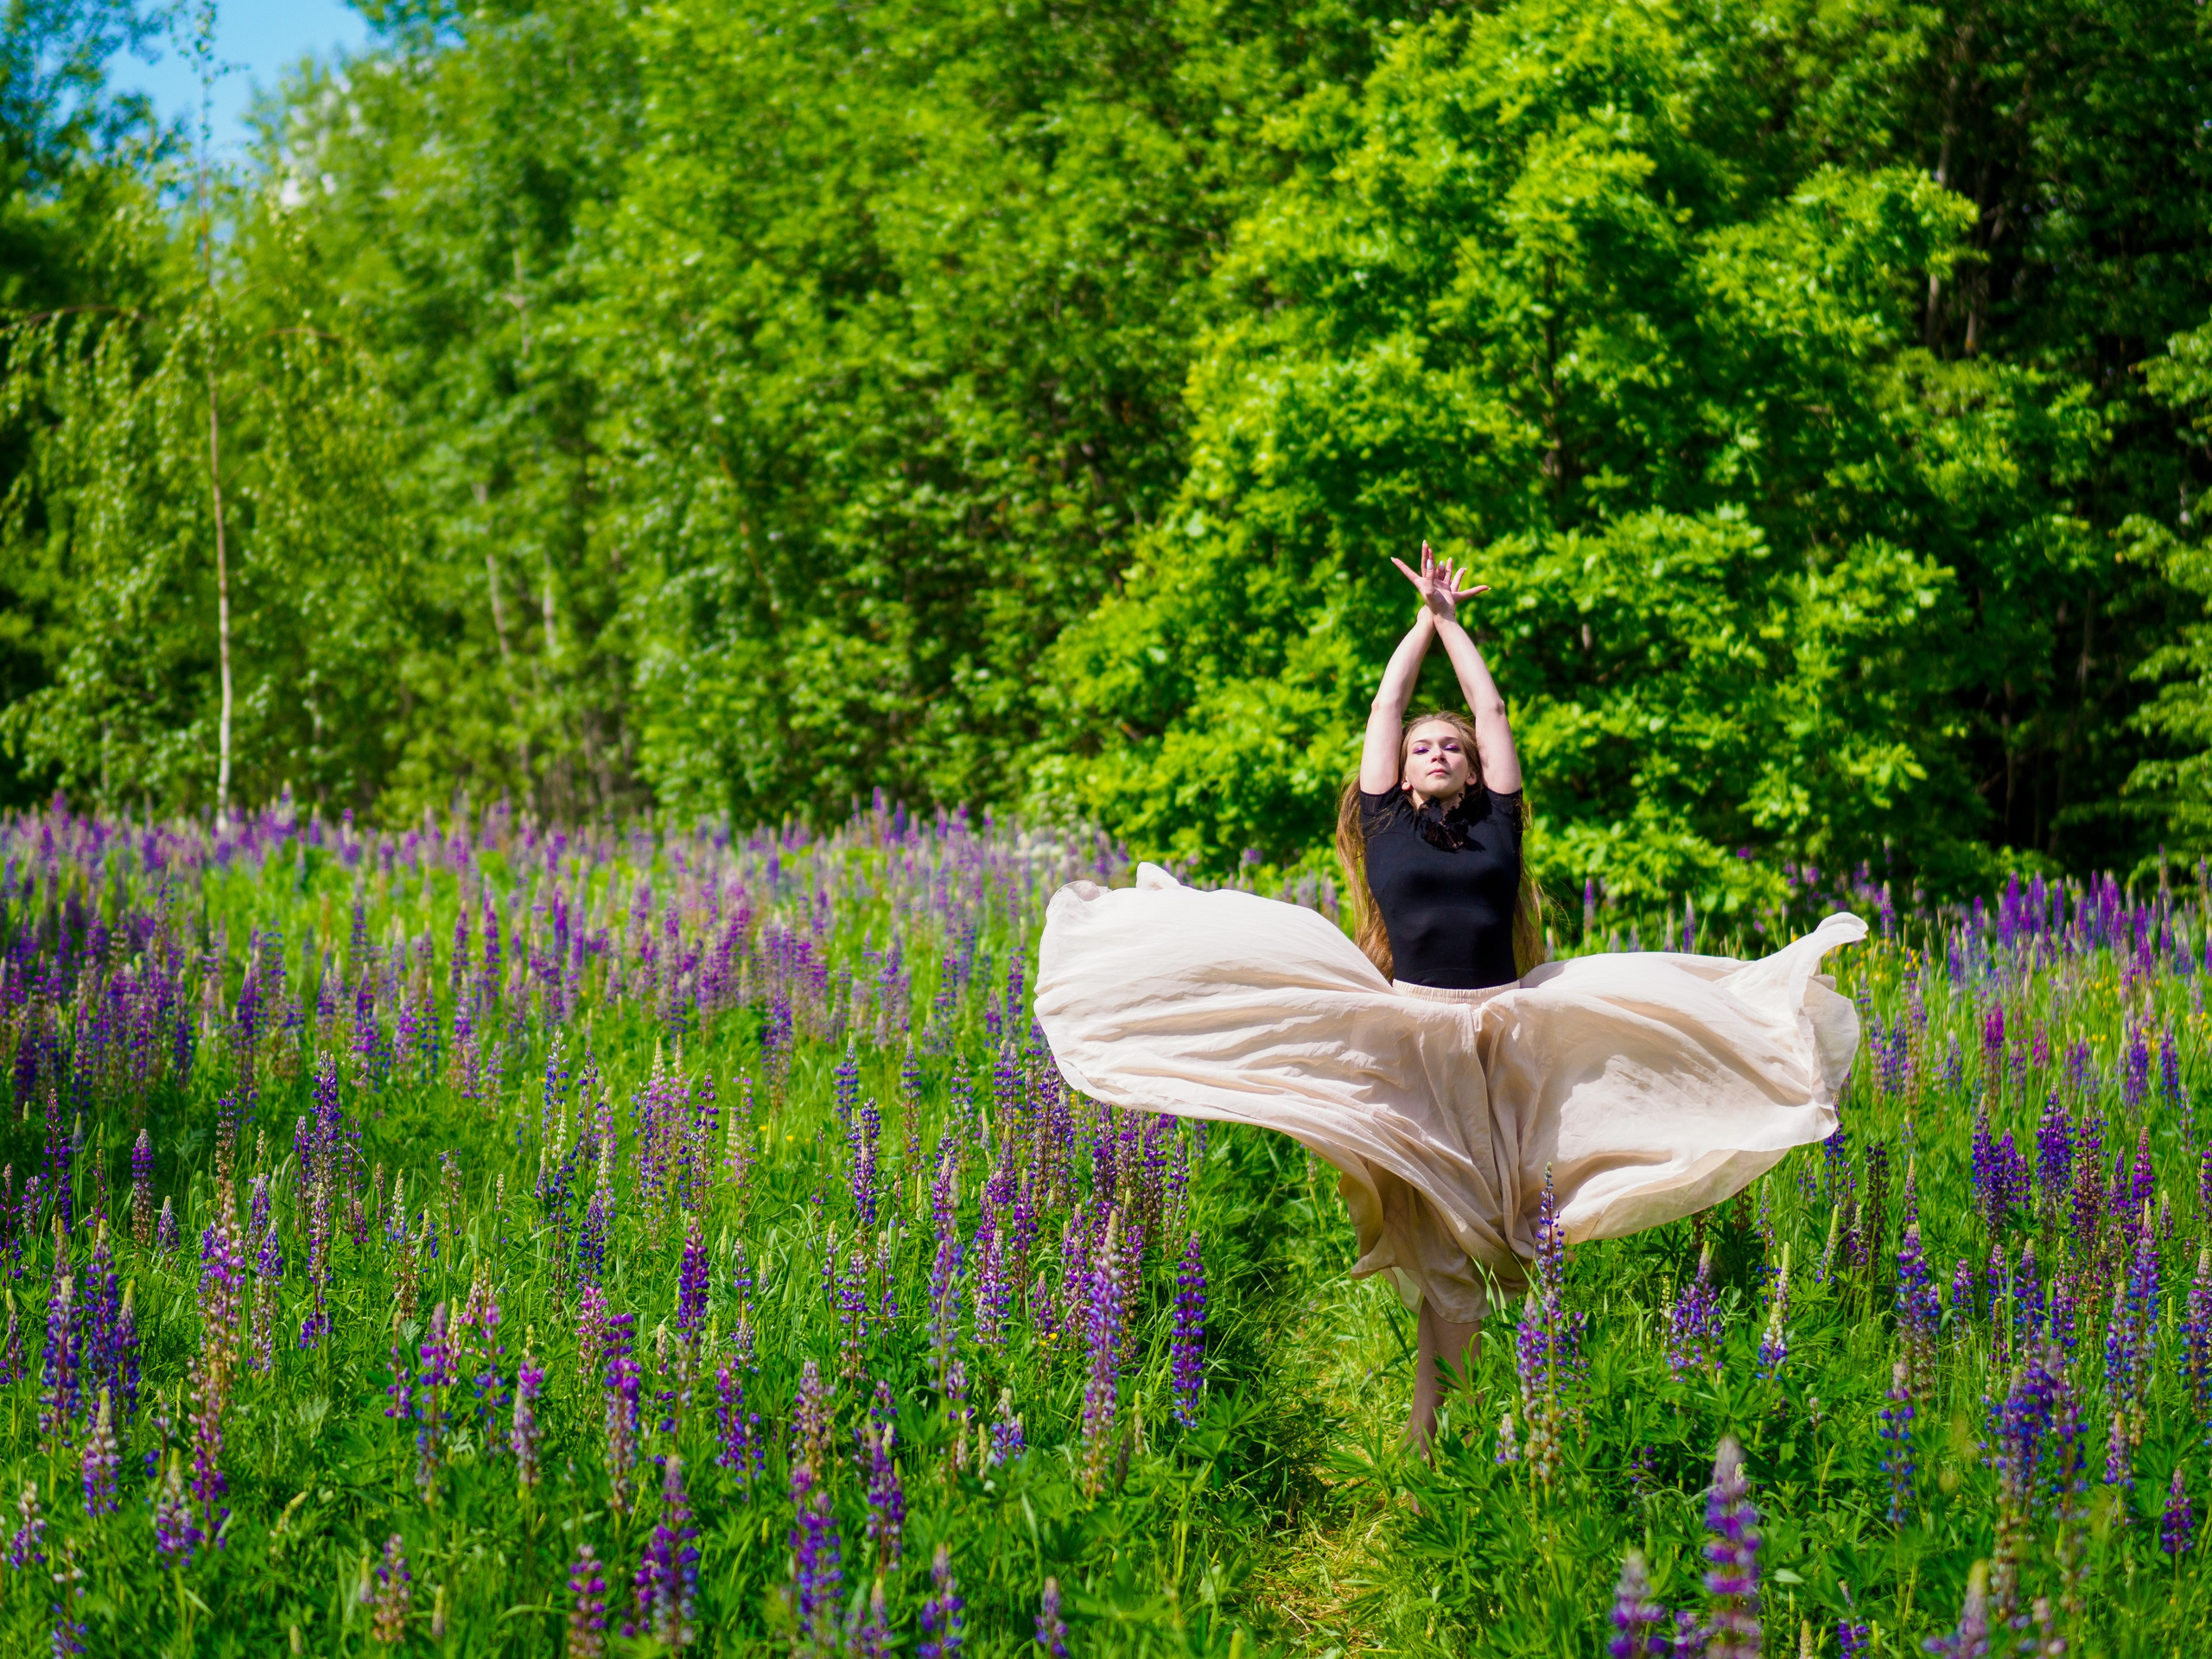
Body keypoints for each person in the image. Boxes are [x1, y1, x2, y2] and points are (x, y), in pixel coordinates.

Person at [1033, 543, 1864, 1452]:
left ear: (1473, 772)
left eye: (1452, 748)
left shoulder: (1497, 822)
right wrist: (1419, 624)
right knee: (1444, 1248)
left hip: (1503, 1039)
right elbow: (1386, 707)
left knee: (1499, 1238)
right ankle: (1441, 1440)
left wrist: (1455, 625)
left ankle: (1443, 1435)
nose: (1438, 751)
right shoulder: (1384, 820)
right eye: (1425, 748)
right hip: (1413, 1040)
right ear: (1399, 772)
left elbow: (1492, 710)